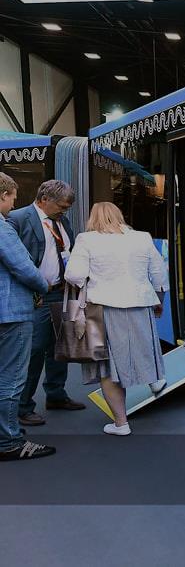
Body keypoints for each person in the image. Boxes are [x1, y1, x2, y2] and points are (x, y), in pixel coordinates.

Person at [64, 202, 168, 436]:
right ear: (119, 215)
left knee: (109, 368)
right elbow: (159, 274)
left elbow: (74, 274)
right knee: (142, 345)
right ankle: (154, 379)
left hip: (103, 307)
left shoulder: (86, 239)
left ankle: (121, 424)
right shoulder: (142, 237)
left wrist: (87, 281)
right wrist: (159, 300)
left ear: (93, 218)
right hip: (140, 303)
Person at [6, 179, 84, 426]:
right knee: (35, 350)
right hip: (36, 295)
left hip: (61, 292)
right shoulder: (17, 218)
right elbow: (14, 261)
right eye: (61, 206)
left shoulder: (62, 220)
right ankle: (23, 406)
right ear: (44, 199)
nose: (64, 211)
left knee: (59, 346)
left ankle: (56, 395)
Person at [0, 172, 53, 460]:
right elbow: (23, 268)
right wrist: (44, 285)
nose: (13, 205)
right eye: (12, 199)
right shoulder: (3, 228)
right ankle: (9, 442)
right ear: (3, 195)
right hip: (10, 313)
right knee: (10, 379)